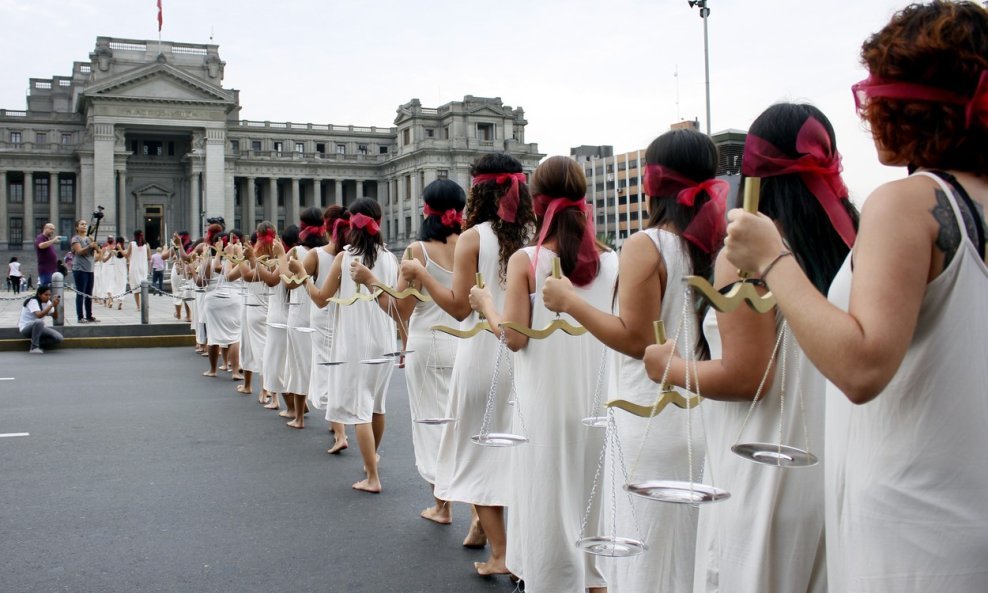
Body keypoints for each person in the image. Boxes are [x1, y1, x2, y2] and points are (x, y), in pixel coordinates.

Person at [724, 3, 988, 591]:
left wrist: (771, 257)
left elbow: (863, 367)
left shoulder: (911, 202)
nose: (867, 113)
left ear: (908, 104)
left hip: (913, 531)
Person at [645, 103, 857, 593]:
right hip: (834, 467)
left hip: (761, 472)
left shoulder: (748, 255)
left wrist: (669, 366)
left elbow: (747, 378)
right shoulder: (855, 242)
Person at [542, 129, 721, 593]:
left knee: (644, 561)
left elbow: (636, 339)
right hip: (705, 412)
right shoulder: (719, 243)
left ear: (652, 181)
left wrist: (567, 301)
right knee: (687, 557)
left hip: (650, 414)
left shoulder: (648, 244)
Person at [469, 156, 617, 592]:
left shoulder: (526, 260)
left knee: (546, 501)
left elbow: (514, 337)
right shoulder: (612, 261)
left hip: (544, 403)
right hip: (596, 402)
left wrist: (486, 307)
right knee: (593, 502)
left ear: (536, 202)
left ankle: (549, 579)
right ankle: (594, 582)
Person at [400, 152, 535, 575]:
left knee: (473, 454)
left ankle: (500, 553)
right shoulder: (533, 234)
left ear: (477, 191)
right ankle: (510, 541)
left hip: (480, 355)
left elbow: (460, 309)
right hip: (526, 354)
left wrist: (422, 277)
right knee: (520, 451)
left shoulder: (474, 237)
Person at [351, 179, 465, 522]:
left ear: (425, 209)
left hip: (428, 346)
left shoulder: (418, 251)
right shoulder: (470, 246)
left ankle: (442, 505)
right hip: (466, 345)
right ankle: (478, 514)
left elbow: (396, 308)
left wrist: (370, 281)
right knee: (463, 426)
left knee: (431, 427)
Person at [309, 198, 399, 493]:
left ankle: (372, 477)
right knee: (377, 405)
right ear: (379, 221)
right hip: (384, 339)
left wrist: (302, 279)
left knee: (360, 409)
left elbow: (322, 299)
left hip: (355, 341)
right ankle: (371, 459)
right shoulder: (389, 257)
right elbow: (396, 304)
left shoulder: (346, 257)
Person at [70, 220, 100, 323]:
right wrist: (90, 246)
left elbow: (99, 252)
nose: (84, 226)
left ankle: (89, 316)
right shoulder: (75, 239)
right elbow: (79, 251)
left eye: (85, 224)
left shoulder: (89, 238)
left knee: (88, 294)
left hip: (89, 269)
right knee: (81, 293)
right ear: (77, 227)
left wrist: (95, 245)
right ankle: (80, 317)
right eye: (82, 224)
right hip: (80, 269)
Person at [19, 285, 63, 354]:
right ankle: (34, 348)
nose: (48, 297)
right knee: (39, 322)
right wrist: (51, 305)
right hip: (26, 328)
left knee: (58, 338)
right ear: (39, 294)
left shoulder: (48, 302)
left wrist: (55, 306)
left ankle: (35, 341)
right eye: (46, 295)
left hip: (39, 328)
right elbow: (39, 315)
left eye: (49, 295)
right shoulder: (33, 301)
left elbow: (55, 317)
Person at [126, 230, 150, 309]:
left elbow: (127, 255)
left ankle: (138, 306)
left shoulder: (131, 244)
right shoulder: (146, 245)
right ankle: (145, 304)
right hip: (143, 268)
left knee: (135, 288)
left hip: (134, 268)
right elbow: (149, 257)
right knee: (144, 287)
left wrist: (120, 249)